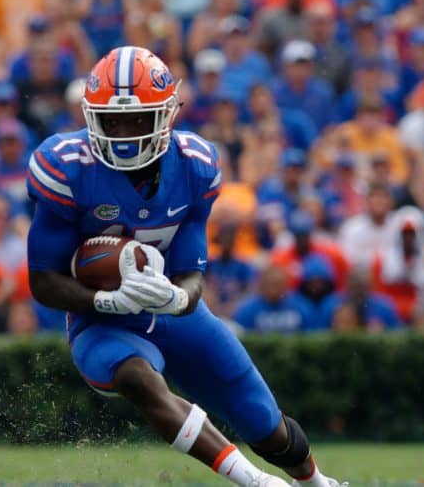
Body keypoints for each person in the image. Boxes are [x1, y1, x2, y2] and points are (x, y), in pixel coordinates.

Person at [26, 46, 345, 487]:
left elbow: (192, 267)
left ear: (168, 114)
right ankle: (255, 482)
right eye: (112, 120)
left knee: (266, 425)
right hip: (101, 323)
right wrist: (105, 299)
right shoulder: (66, 168)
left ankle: (316, 483)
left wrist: (178, 296)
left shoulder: (195, 166)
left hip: (175, 316)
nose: (123, 134)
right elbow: (42, 279)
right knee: (138, 379)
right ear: (89, 116)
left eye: (137, 120)